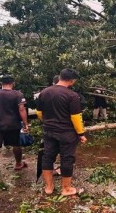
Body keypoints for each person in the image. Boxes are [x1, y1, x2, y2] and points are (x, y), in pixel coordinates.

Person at [36, 68, 87, 196]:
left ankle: (49, 187)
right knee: (67, 159)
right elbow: (75, 117)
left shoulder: (44, 92)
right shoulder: (72, 95)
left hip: (49, 131)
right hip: (67, 133)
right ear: (72, 80)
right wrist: (81, 134)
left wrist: (47, 122)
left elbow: (39, 113)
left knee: (48, 157)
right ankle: (66, 189)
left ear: (60, 77)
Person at [0, 75, 29, 181]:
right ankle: (18, 164)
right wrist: (25, 124)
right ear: (13, 83)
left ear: (1, 83)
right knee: (16, 144)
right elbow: (22, 109)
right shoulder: (18, 94)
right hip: (13, 124)